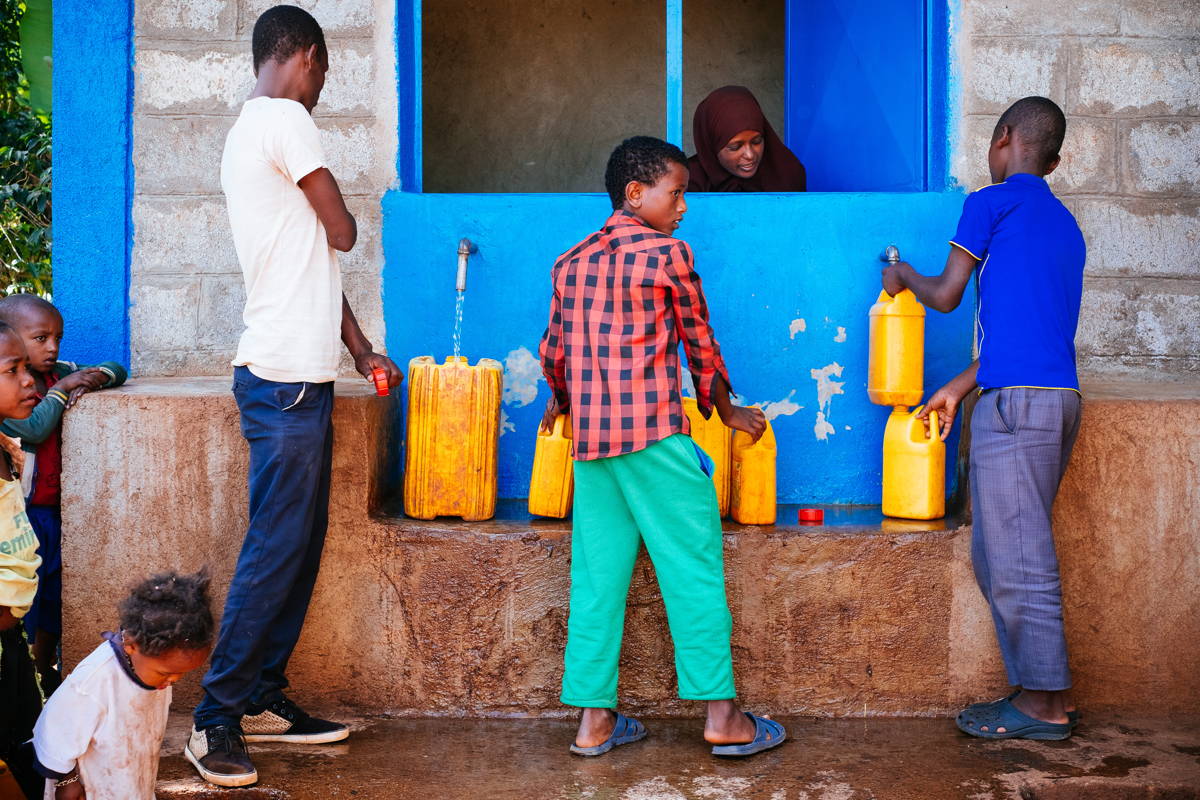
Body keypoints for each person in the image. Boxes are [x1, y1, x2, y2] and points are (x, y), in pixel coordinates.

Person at [186, 5, 402, 787]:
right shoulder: (282, 117)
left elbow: (313, 257)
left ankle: (260, 700)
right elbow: (342, 233)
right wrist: (335, 196)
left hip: (298, 379)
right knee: (274, 551)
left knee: (297, 549)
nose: (321, 85)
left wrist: (359, 349)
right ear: (302, 56)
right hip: (279, 383)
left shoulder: (254, 132)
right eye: (324, 71)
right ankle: (214, 720)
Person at [539, 135, 785, 758]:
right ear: (636, 193)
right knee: (692, 569)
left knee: (596, 582)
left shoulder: (568, 262)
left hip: (595, 450)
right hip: (653, 438)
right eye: (675, 193)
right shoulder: (668, 255)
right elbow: (698, 341)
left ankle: (594, 723)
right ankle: (724, 717)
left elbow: (555, 353)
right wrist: (729, 411)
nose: (682, 206)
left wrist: (562, 402)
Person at [881, 96, 1085, 741]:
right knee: (999, 549)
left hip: (1018, 407)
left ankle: (1045, 706)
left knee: (1019, 556)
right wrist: (960, 387)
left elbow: (944, 297)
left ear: (1003, 141)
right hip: (1055, 400)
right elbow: (1028, 338)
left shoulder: (989, 203)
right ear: (1051, 161)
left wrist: (901, 273)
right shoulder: (1066, 226)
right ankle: (1034, 690)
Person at [0, 293, 128, 696]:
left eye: (57, 337)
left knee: (53, 596)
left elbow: (116, 368)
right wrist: (61, 392)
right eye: (40, 338)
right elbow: (36, 429)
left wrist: (93, 378)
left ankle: (44, 671)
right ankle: (32, 676)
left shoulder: (58, 374)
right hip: (26, 513)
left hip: (56, 514)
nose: (52, 348)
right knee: (28, 600)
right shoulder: (13, 397)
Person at [32, 569, 215, 800]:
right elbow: (53, 736)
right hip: (89, 790)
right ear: (131, 644)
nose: (174, 680)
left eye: (182, 674)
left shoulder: (155, 665)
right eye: (167, 673)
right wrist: (67, 782)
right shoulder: (93, 684)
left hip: (129, 781)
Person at [0, 320, 46, 799]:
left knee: (27, 743)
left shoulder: (7, 446)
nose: (29, 379)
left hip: (12, 634)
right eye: (13, 370)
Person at [686, 85, 806, 192]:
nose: (750, 155)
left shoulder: (787, 174)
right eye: (735, 147)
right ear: (711, 144)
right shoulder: (687, 181)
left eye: (756, 142)